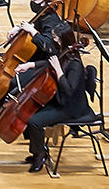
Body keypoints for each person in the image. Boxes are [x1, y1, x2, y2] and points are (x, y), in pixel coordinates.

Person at [14, 19, 91, 173]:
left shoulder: (74, 63)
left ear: (64, 39)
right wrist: (29, 65)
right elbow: (49, 63)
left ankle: (40, 155)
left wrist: (59, 70)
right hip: (60, 100)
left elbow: (69, 90)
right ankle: (37, 149)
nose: (53, 40)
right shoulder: (63, 52)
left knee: (34, 121)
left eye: (55, 37)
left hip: (71, 107)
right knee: (27, 111)